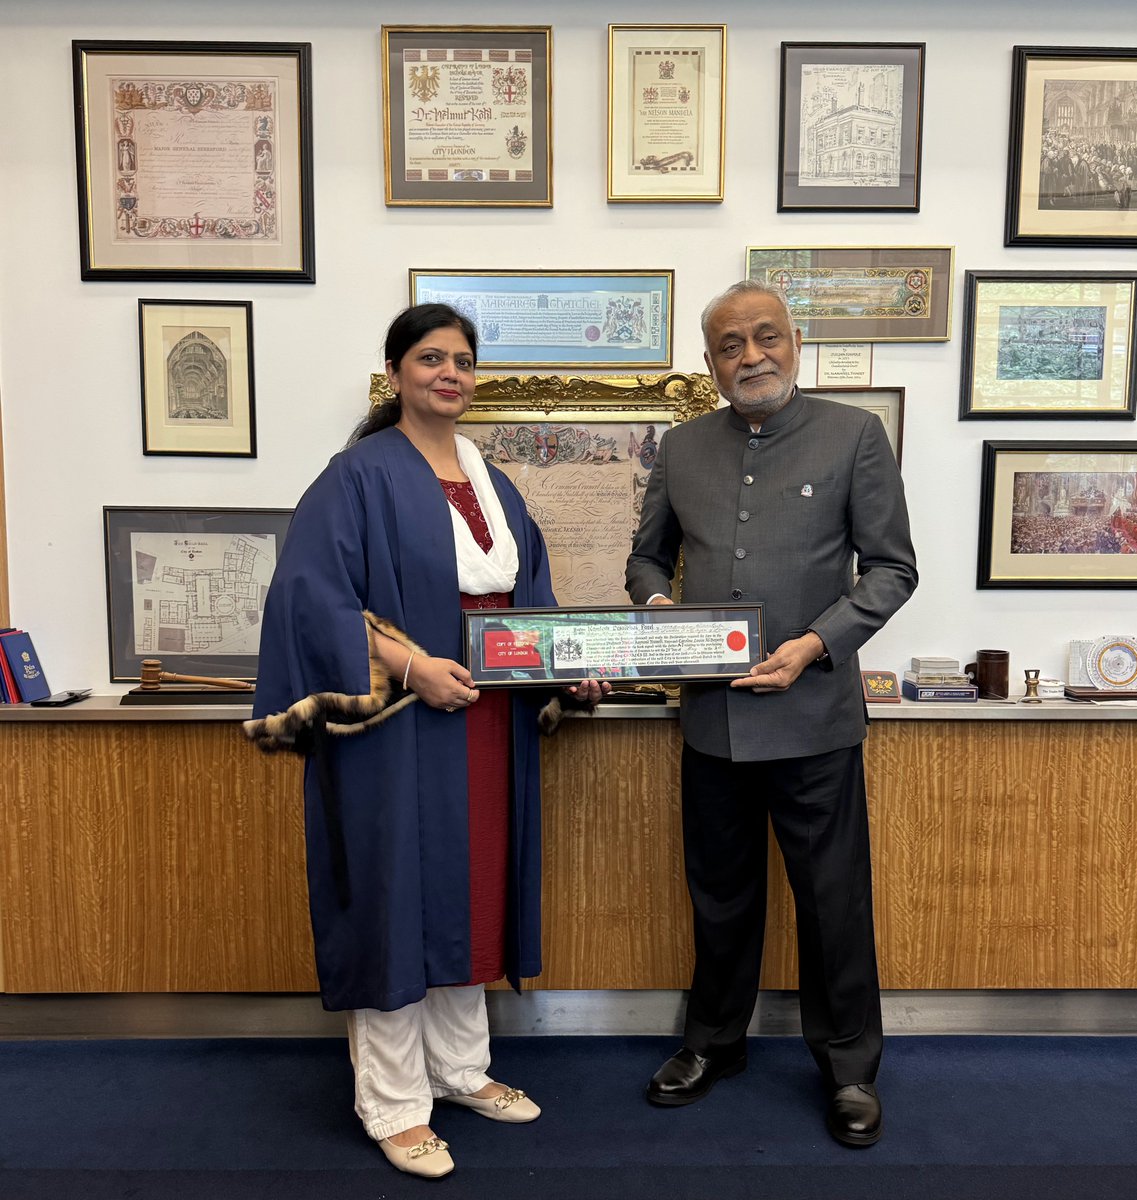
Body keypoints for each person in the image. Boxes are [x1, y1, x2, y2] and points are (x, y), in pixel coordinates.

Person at [246, 303, 606, 1179]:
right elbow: (310, 597)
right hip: (398, 730)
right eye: (431, 358)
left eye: (463, 361)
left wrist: (568, 670)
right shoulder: (357, 474)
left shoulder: (494, 481)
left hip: (487, 724)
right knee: (394, 895)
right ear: (397, 372)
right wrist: (411, 670)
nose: (451, 373)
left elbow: (530, 607)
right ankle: (395, 1103)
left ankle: (459, 1070)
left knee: (471, 888)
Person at [625, 279, 917, 1147]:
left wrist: (814, 645)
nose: (749, 356)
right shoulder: (679, 448)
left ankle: (850, 1069)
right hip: (710, 721)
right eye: (727, 345)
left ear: (793, 342)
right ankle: (714, 1046)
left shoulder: (854, 436)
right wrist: (653, 608)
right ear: (709, 361)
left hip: (814, 718)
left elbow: (891, 571)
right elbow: (646, 560)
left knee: (831, 901)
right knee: (718, 897)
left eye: (764, 338)